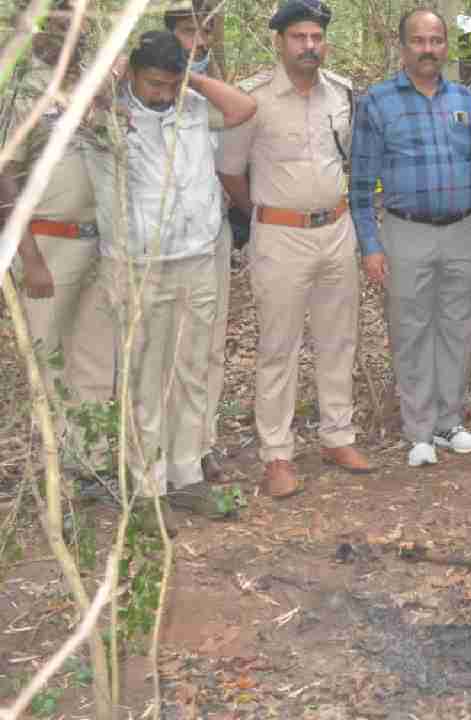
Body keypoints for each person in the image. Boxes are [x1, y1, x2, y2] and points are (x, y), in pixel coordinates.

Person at [86, 30, 257, 534]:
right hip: (138, 268)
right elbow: (67, 109)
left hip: (198, 258)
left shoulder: (193, 108)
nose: (161, 93)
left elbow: (244, 108)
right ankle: (146, 486)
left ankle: (185, 476)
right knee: (144, 377)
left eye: (168, 83)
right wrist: (116, 71)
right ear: (132, 74)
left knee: (191, 371)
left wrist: (191, 76)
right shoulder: (106, 118)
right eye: (152, 82)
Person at [218, 0, 372, 498]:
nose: (309, 46)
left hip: (336, 229)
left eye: (316, 38)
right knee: (278, 347)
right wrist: (265, 215)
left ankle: (337, 436)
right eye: (299, 38)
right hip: (279, 235)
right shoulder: (253, 98)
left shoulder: (343, 93)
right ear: (279, 42)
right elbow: (230, 172)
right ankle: (277, 454)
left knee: (338, 338)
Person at [350, 8, 471, 468]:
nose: (428, 49)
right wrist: (371, 244)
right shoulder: (377, 102)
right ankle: (419, 431)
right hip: (406, 230)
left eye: (436, 40)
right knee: (411, 329)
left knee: (458, 326)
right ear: (403, 46)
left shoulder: (467, 101)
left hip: (465, 229)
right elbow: (359, 183)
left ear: (446, 45)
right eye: (419, 40)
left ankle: (450, 422)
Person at [0, 3, 114, 473]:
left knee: (94, 358)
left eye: (77, 15)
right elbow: (4, 176)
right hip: (48, 246)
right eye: (58, 14)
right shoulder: (22, 90)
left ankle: (94, 465)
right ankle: (58, 473)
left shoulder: (94, 86)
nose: (68, 25)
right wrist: (29, 257)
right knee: (51, 364)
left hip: (100, 245)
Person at [164, 0, 234, 486]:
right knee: (164, 352)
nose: (200, 42)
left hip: (212, 236)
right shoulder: (145, 91)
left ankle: (200, 445)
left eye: (206, 32)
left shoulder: (212, 92)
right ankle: (159, 451)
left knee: (208, 348)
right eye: (189, 32)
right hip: (160, 246)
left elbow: (241, 115)